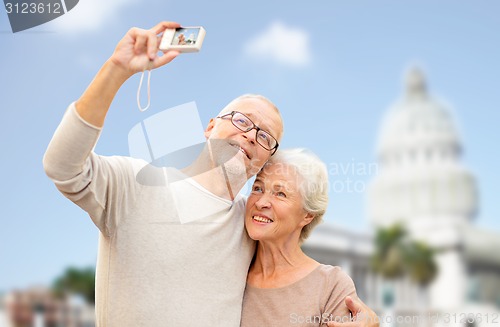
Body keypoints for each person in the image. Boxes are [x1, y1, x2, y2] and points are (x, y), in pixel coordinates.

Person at [43, 21, 379, 327]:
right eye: (242, 120)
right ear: (210, 126)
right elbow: (61, 165)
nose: (250, 135)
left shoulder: (249, 227)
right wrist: (116, 70)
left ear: (265, 161)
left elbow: (299, 277)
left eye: (265, 136)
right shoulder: (134, 184)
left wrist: (373, 321)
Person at [241, 148, 374, 327]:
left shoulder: (330, 285)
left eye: (280, 193)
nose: (261, 202)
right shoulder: (233, 269)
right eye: (258, 188)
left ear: (307, 215)